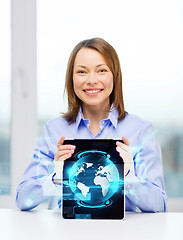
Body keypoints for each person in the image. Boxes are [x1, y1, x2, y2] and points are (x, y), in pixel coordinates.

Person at [16, 37, 167, 212]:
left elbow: (159, 207)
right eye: (81, 72)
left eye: (101, 70)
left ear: (115, 76)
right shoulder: (55, 129)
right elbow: (23, 200)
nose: (91, 80)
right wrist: (55, 177)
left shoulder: (140, 131)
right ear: (71, 78)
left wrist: (128, 176)